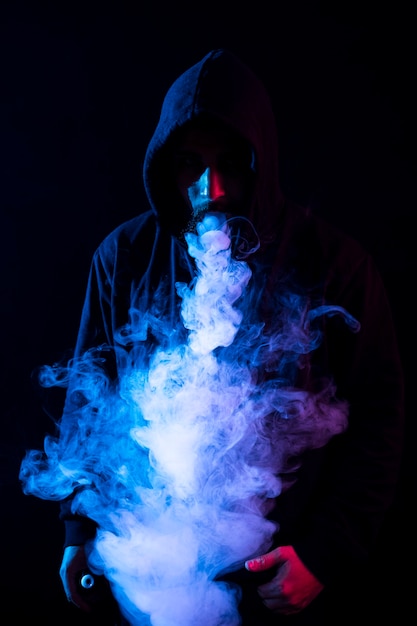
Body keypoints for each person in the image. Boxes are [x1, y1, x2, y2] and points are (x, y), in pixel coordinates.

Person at [20, 49, 404, 625]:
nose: (212, 188)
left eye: (231, 162)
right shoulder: (123, 257)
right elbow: (88, 397)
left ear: (261, 163)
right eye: (189, 164)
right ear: (163, 166)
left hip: (283, 590)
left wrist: (325, 555)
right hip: (147, 588)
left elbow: (379, 419)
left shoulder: (337, 265)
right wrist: (79, 529)